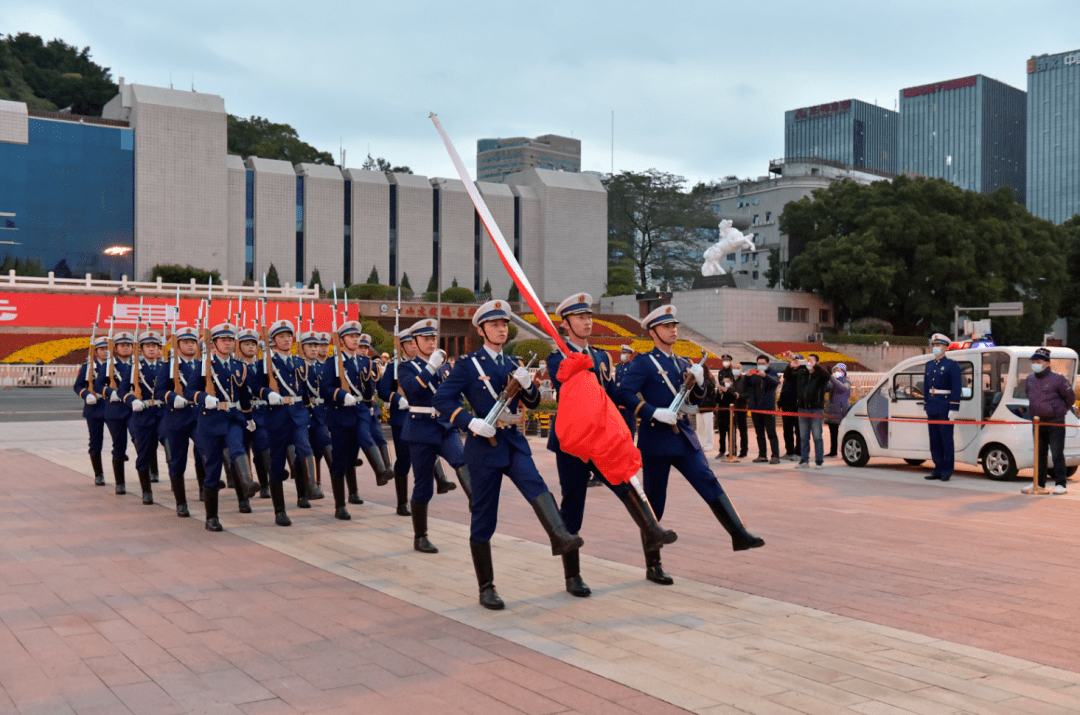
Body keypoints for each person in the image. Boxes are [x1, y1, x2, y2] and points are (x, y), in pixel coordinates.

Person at [433, 300, 584, 610]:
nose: (501, 329)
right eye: (494, 325)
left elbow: (529, 403)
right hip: (483, 448)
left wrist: (529, 386)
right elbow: (442, 399)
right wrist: (469, 421)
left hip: (513, 442)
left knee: (537, 485)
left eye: (504, 324)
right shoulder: (468, 364)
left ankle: (560, 536)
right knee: (484, 515)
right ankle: (486, 586)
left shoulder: (512, 363)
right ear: (481, 330)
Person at [616, 305, 764, 585]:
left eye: (674, 326)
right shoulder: (644, 363)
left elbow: (695, 400)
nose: (673, 330)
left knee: (707, 479)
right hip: (656, 437)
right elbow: (623, 392)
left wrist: (698, 382)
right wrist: (651, 411)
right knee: (655, 501)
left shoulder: (683, 363)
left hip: (683, 436)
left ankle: (738, 533)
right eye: (667, 326)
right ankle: (653, 564)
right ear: (653, 331)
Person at [545, 293, 676, 596]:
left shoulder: (603, 356)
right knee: (573, 501)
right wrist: (575, 361)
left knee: (626, 485)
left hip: (602, 440)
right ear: (565, 325)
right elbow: (565, 383)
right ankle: (572, 575)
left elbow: (614, 395)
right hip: (573, 443)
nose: (587, 322)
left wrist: (641, 415)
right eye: (580, 318)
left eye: (589, 317)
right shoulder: (557, 357)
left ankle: (652, 533)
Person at [399, 318, 472, 553]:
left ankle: (476, 500)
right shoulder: (406, 367)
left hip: (444, 426)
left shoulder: (445, 367)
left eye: (433, 338)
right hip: (420, 429)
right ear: (414, 342)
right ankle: (420, 536)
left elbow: (455, 394)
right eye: (425, 339)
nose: (431, 342)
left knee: (462, 460)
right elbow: (413, 389)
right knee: (423, 486)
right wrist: (431, 366)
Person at [184, 323, 260, 531]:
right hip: (210, 421)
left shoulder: (239, 366)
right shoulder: (203, 366)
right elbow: (189, 392)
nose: (227, 343)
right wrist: (203, 397)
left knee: (237, 446)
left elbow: (244, 396)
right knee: (213, 470)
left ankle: (247, 481)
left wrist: (249, 418)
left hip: (234, 417)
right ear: (214, 343)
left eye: (230, 340)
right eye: (223, 340)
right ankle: (212, 517)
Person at [253, 320, 315, 524]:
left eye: (289, 336)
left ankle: (308, 487)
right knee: (277, 463)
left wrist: (311, 411)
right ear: (273, 341)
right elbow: (256, 387)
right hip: (277, 416)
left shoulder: (300, 363)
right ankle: (279, 510)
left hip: (298, 415)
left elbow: (305, 392)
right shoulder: (265, 363)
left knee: (304, 449)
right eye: (281, 337)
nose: (286, 340)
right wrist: (268, 393)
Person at [154, 326, 205, 517]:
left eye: (193, 342)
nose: (191, 345)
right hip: (176, 417)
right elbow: (158, 391)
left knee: (204, 450)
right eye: (186, 342)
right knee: (177, 461)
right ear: (178, 345)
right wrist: (172, 396)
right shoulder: (169, 366)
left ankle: (204, 488)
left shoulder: (202, 364)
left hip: (198, 416)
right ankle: (181, 502)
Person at [1022, 347, 1075, 495]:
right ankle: (1038, 484)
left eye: (1038, 361)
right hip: (1038, 423)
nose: (1035, 364)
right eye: (1033, 361)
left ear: (1046, 363)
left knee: (1057, 453)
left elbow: (1070, 398)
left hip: (1055, 422)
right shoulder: (1030, 380)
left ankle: (1061, 484)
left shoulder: (1058, 379)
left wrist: (1060, 411)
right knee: (1039, 454)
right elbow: (1029, 396)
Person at [122, 331, 166, 505]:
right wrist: (132, 401)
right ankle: (146, 490)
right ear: (141, 350)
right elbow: (122, 391)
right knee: (145, 453)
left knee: (171, 441)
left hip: (163, 412)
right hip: (143, 414)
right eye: (148, 346)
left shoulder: (165, 367)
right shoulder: (134, 369)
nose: (152, 349)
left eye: (155, 346)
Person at [235, 329, 272, 499]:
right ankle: (246, 485)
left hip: (260, 413)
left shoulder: (263, 366)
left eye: (253, 344)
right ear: (239, 346)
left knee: (262, 447)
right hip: (240, 414)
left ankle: (265, 484)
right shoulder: (235, 366)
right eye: (246, 344)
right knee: (242, 451)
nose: (250, 347)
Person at [923, 333, 962, 482]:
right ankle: (937, 468)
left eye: (939, 346)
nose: (936, 348)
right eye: (934, 345)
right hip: (932, 406)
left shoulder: (952, 365)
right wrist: (926, 403)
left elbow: (956, 388)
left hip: (945, 407)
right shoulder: (929, 365)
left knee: (946, 439)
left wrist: (954, 408)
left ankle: (947, 470)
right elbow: (926, 386)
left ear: (946, 348)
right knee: (934, 439)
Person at [101, 331, 136, 494]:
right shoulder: (108, 366)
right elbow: (98, 385)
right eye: (123, 345)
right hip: (115, 411)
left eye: (129, 345)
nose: (126, 348)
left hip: (133, 409)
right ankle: (120, 482)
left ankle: (148, 471)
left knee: (140, 441)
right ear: (115, 348)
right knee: (119, 445)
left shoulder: (137, 364)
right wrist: (109, 392)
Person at [74, 336, 110, 487]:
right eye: (102, 349)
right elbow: (78, 386)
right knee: (96, 442)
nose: (105, 352)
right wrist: (86, 395)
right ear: (96, 351)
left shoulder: (114, 365)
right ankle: (98, 474)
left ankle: (120, 458)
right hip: (94, 408)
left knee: (120, 440)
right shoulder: (89, 366)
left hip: (112, 406)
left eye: (108, 348)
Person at [795, 354, 830, 468]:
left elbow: (827, 376)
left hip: (816, 409)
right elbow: (790, 375)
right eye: (807, 360)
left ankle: (819, 461)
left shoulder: (820, 376)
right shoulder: (803, 374)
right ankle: (804, 460)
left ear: (816, 362)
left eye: (811, 360)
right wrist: (793, 365)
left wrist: (816, 366)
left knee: (817, 436)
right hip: (802, 408)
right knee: (803, 436)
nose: (808, 362)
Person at [746, 355, 781, 464]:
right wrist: (746, 377)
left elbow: (776, 382)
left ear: (767, 364)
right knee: (759, 433)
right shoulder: (754, 374)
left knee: (771, 433)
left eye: (763, 363)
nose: (761, 365)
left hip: (768, 409)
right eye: (759, 363)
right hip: (755, 408)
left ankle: (775, 456)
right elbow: (746, 387)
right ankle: (762, 455)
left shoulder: (771, 373)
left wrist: (765, 375)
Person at [779, 354, 804, 460]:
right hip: (786, 405)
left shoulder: (802, 372)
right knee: (787, 430)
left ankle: (799, 452)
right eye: (794, 360)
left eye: (798, 361)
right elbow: (785, 382)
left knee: (799, 430)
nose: (795, 362)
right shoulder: (789, 373)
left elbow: (794, 376)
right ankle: (789, 451)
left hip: (797, 406)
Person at [824, 363, 852, 457]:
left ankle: (845, 451)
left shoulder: (846, 381)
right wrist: (826, 379)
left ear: (843, 372)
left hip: (841, 409)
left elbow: (843, 388)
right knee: (833, 432)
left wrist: (832, 378)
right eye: (835, 370)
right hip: (832, 409)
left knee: (843, 432)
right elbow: (826, 389)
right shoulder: (832, 380)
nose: (836, 372)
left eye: (839, 370)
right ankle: (833, 451)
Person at [614, 345, 637, 439]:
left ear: (629, 355)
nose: (622, 355)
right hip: (619, 398)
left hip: (628, 398)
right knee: (620, 422)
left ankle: (630, 442)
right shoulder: (619, 366)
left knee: (629, 422)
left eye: (625, 353)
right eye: (622, 353)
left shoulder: (632, 366)